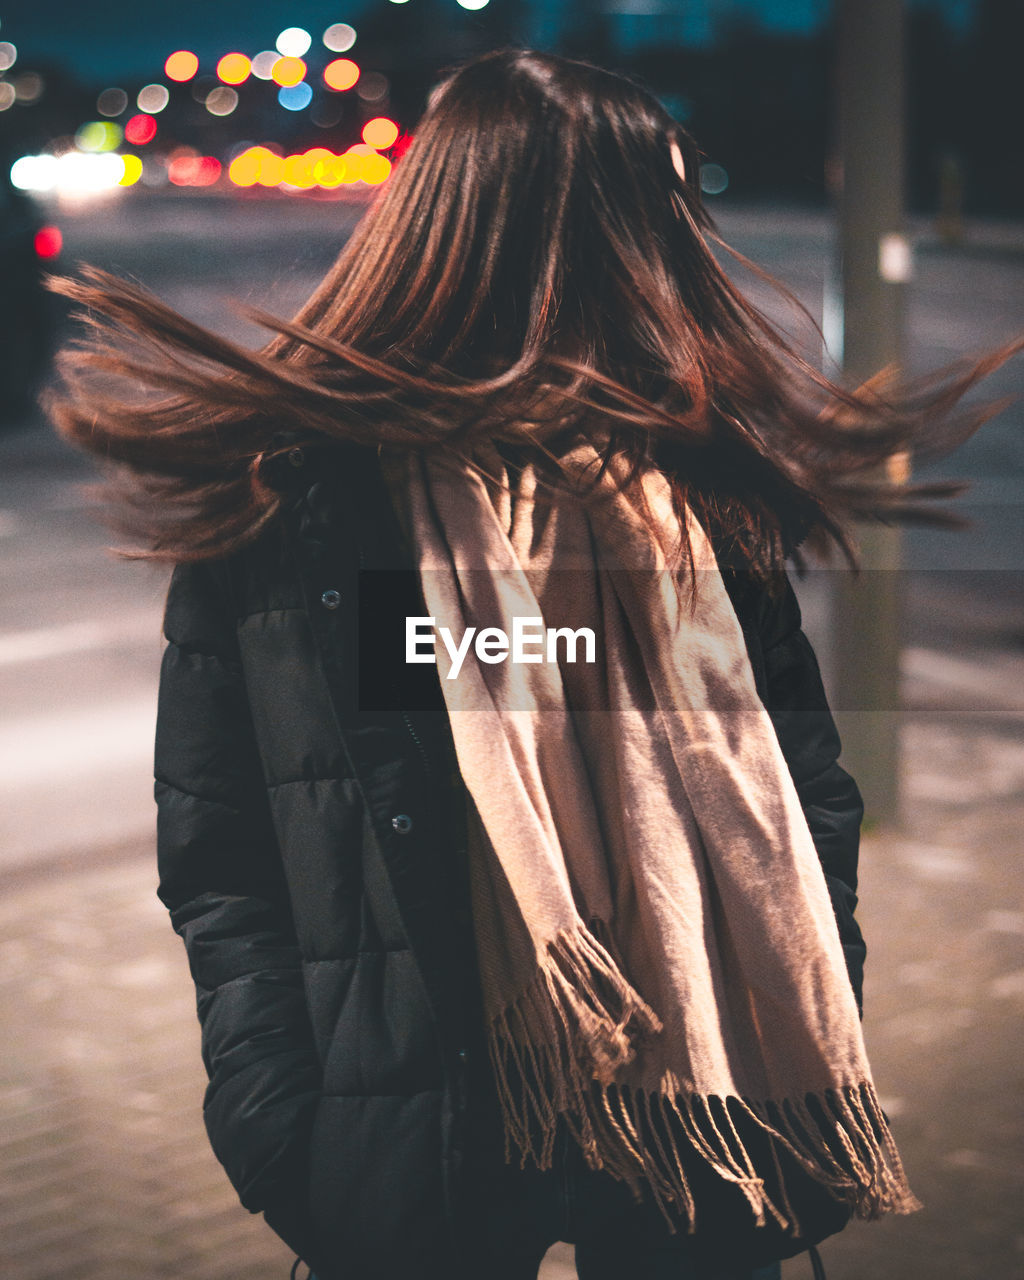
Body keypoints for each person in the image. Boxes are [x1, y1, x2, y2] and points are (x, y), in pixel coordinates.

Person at [49, 48, 1019, 1280]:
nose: (681, 251)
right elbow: (222, 847)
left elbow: (809, 784)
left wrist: (811, 992)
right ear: (574, 232)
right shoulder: (305, 501)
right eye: (656, 213)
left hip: (703, 1114)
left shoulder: (696, 484)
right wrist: (277, 1123)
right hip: (412, 1131)